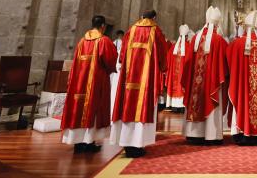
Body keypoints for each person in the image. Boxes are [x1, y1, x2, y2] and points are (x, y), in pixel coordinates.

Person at [110, 10, 168, 157]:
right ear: (154, 18)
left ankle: (126, 142)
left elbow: (122, 55)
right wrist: (162, 67)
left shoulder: (131, 30)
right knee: (142, 108)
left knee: (127, 105)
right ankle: (138, 144)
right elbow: (162, 54)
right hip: (146, 78)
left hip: (129, 78)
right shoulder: (156, 31)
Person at [61, 15, 119, 153]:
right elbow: (110, 60)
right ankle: (88, 142)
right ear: (103, 26)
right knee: (93, 109)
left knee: (79, 109)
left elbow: (75, 63)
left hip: (79, 82)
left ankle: (77, 142)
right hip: (95, 83)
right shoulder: (103, 41)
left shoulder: (81, 41)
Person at [227, 10, 257, 145]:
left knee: (243, 100)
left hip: (243, 88)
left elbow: (229, 60)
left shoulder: (237, 44)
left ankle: (242, 133)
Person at [182, 7, 228, 144]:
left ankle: (193, 134)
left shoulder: (195, 38)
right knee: (211, 101)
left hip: (196, 84)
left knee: (195, 99)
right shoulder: (219, 40)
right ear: (217, 24)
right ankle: (211, 135)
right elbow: (225, 65)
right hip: (212, 82)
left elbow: (187, 64)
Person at [165, 24, 189, 112]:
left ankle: (173, 105)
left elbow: (167, 60)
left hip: (173, 75)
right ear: (186, 37)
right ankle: (181, 106)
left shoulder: (173, 47)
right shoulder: (188, 46)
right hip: (182, 74)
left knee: (174, 85)